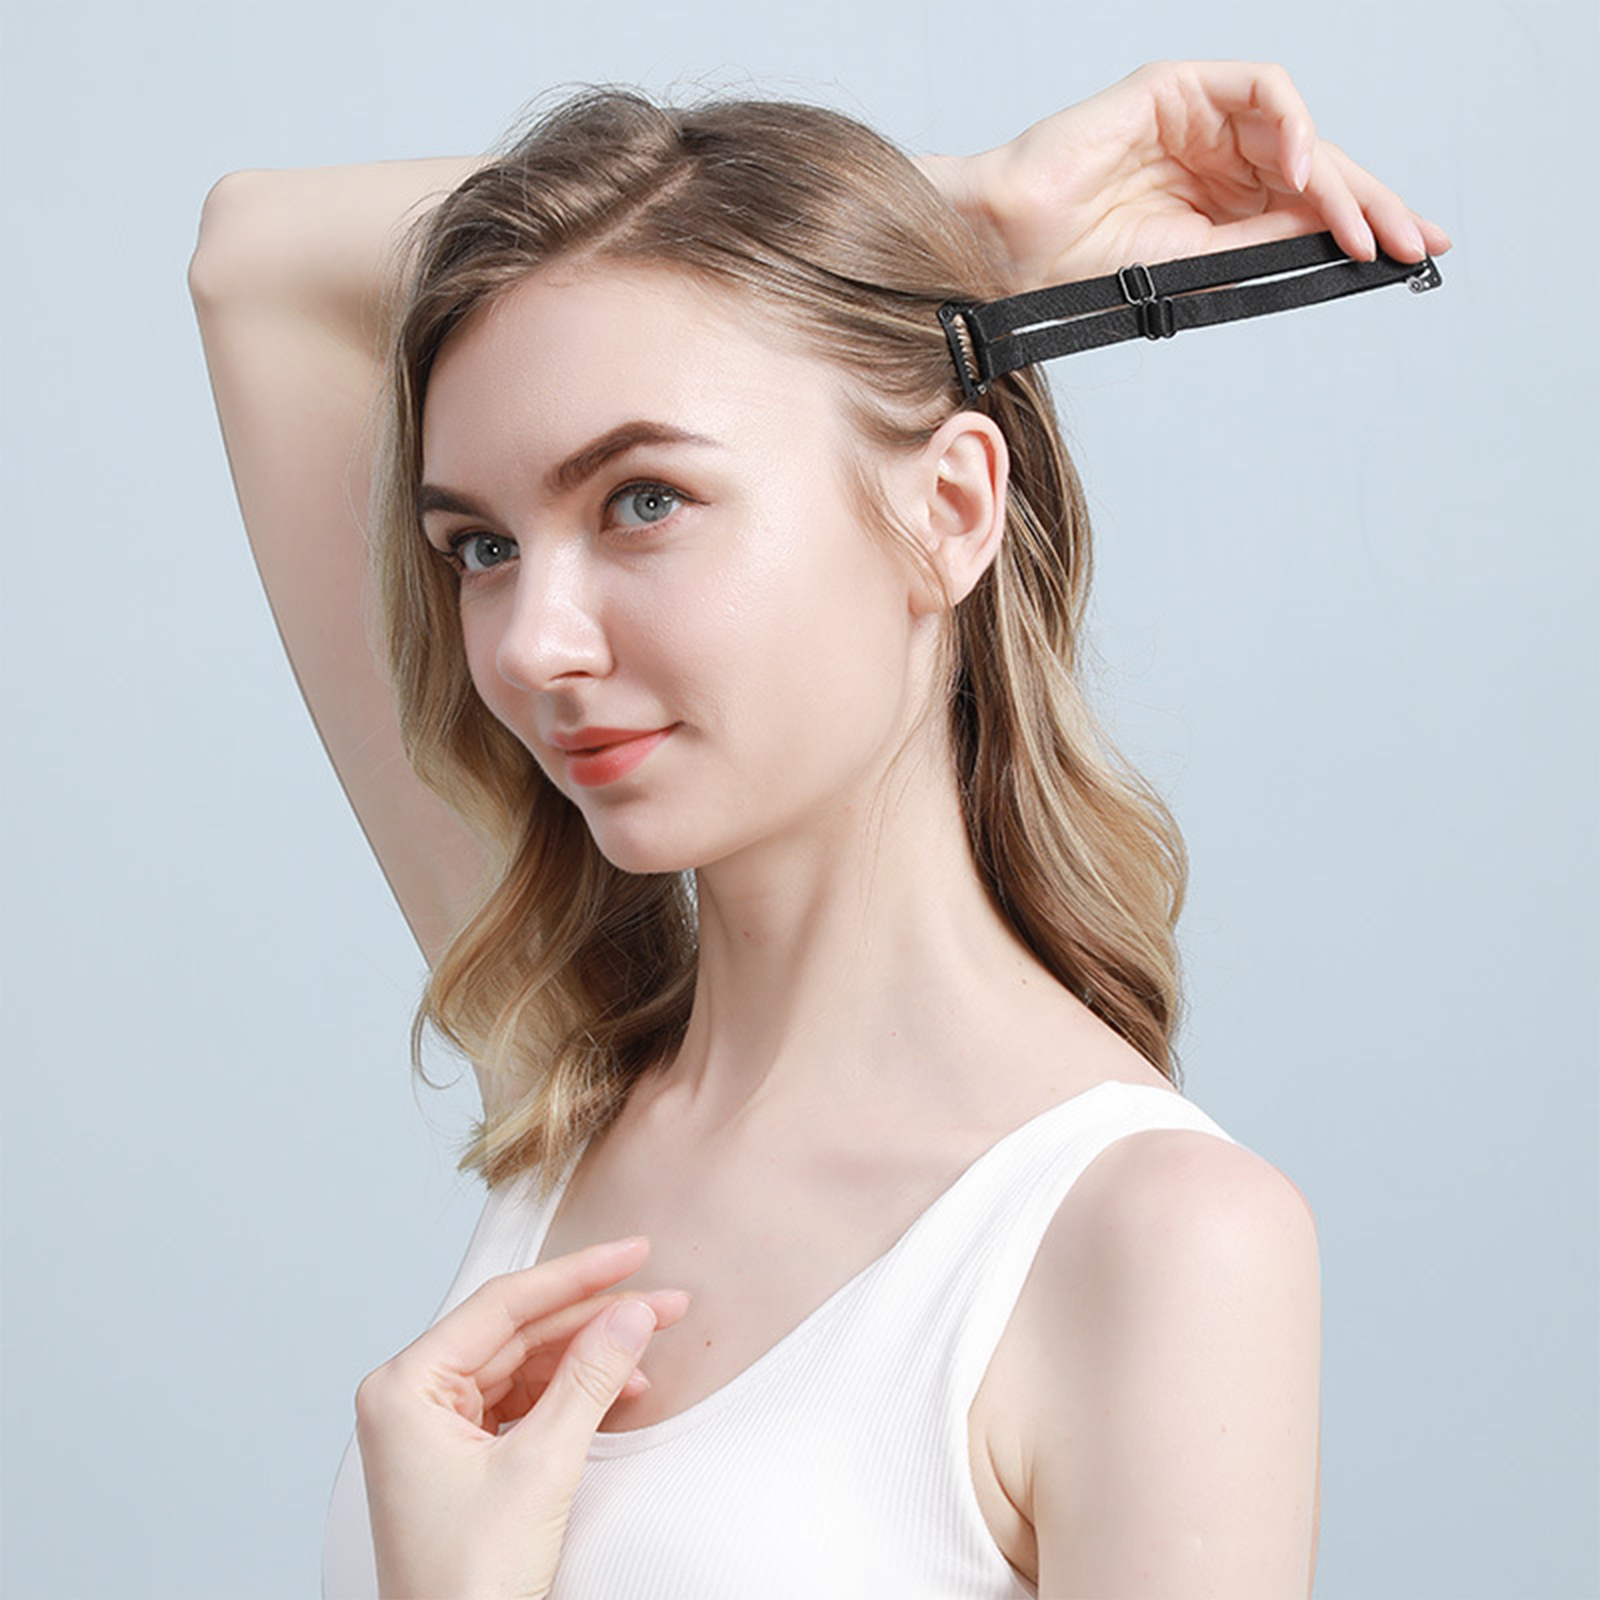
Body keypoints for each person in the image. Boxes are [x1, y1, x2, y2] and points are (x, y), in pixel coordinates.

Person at [190, 62, 1448, 1598]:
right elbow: (251, 263)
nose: (532, 645)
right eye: (483, 546)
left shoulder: (1149, 1245)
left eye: (644, 500)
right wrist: (965, 215)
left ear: (949, 511)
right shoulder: (575, 1071)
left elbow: (259, 267)